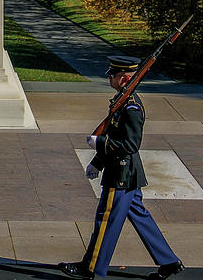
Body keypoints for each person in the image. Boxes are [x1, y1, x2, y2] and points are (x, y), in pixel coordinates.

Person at [58, 55, 184, 279]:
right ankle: (169, 262)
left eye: (113, 75)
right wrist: (97, 161)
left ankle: (91, 267)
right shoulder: (122, 101)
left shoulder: (132, 108)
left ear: (125, 79)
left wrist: (101, 143)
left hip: (122, 173)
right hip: (124, 171)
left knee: (106, 219)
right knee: (139, 215)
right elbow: (113, 132)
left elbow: (131, 144)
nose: (109, 78)